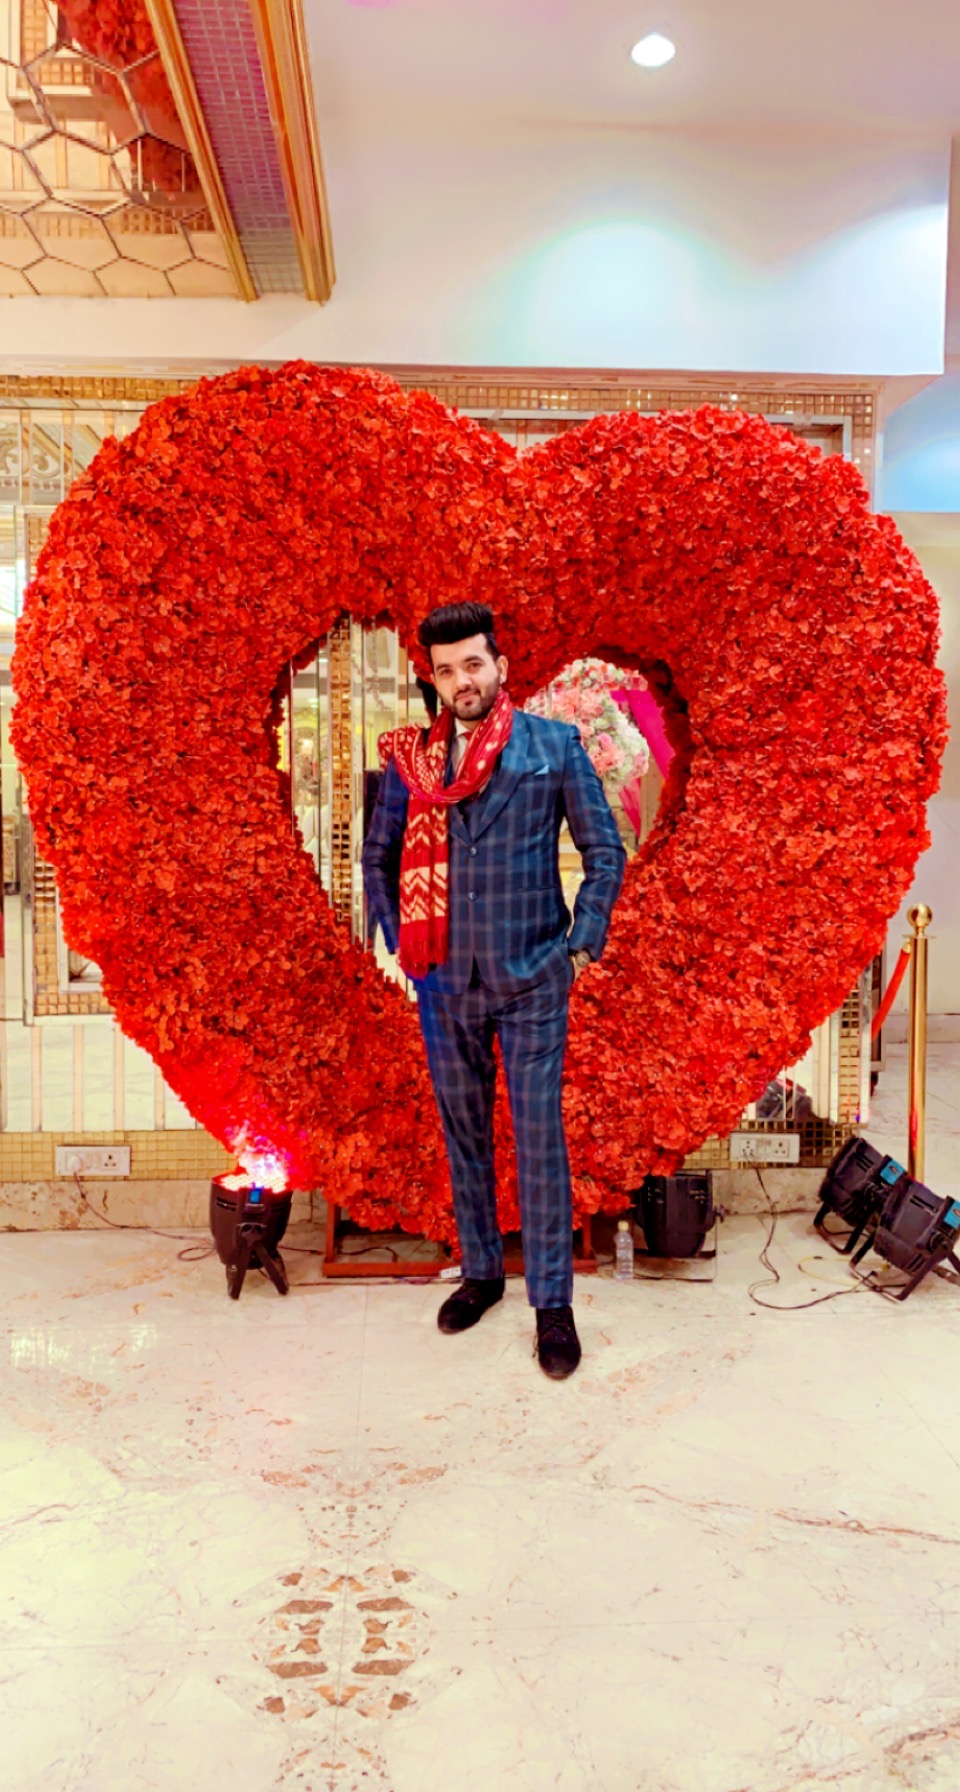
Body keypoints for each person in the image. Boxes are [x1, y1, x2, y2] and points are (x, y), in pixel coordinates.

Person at [362, 603, 626, 1379]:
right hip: (444, 980)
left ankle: (553, 1305)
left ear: (499, 667)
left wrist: (580, 946)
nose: (462, 681)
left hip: (534, 976)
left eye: (473, 664)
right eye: (446, 670)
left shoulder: (552, 746)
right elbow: (378, 857)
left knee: (539, 1139)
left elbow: (604, 850)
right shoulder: (413, 760)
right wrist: (403, 944)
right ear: (434, 678)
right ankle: (481, 1273)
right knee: (465, 1133)